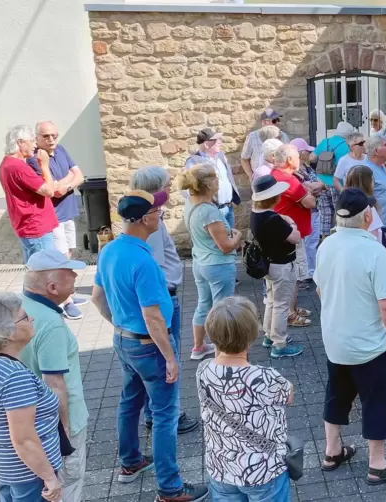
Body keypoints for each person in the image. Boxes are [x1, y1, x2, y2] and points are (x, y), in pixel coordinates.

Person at [92, 190, 208, 502]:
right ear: (145, 218)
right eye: (158, 211)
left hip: (124, 341)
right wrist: (169, 356)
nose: (162, 214)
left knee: (129, 402)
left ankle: (130, 462)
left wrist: (120, 326)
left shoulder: (110, 250)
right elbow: (153, 316)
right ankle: (170, 488)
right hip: (149, 345)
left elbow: (97, 298)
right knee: (165, 415)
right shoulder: (143, 260)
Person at [314, 188, 386, 485]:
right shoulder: (373, 251)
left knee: (337, 394)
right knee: (378, 400)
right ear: (367, 215)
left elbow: (320, 289)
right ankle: (377, 464)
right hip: (369, 344)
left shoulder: (326, 246)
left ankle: (332, 451)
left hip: (335, 339)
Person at [197, 297, 295, 501]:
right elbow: (289, 396)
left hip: (221, 467)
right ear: (251, 337)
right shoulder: (265, 377)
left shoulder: (203, 370)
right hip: (263, 470)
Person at [130, 166, 200, 435]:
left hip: (162, 296)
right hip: (163, 298)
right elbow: (154, 265)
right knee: (166, 359)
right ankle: (167, 415)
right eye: (168, 185)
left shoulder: (146, 219)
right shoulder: (152, 225)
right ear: (155, 190)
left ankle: (153, 412)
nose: (172, 190)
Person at [0, 292, 63, 502]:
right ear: (10, 333)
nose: (31, 318)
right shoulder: (13, 377)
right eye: (25, 317)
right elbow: (24, 438)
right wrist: (49, 477)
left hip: (1, 463)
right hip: (28, 472)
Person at [18, 250, 88, 502]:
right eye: (69, 272)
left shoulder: (17, 308)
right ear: (52, 286)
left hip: (25, 423)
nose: (75, 275)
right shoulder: (50, 324)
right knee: (67, 487)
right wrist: (65, 433)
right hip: (56, 426)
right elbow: (55, 384)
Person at [180, 165, 244, 361]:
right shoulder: (209, 212)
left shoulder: (191, 204)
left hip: (200, 262)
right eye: (215, 178)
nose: (219, 181)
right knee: (221, 311)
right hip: (218, 265)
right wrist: (238, 236)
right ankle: (221, 355)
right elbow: (225, 246)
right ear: (207, 184)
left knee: (203, 305)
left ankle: (198, 347)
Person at [26, 121, 88, 321]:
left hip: (69, 211)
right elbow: (52, 190)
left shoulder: (61, 149)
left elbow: (79, 175)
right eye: (46, 136)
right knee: (59, 259)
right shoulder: (35, 160)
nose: (51, 139)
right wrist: (66, 181)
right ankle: (64, 303)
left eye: (54, 135)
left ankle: (68, 293)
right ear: (37, 138)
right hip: (53, 216)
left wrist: (66, 184)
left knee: (68, 253)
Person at [249, 175, 305, 359]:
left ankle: (268, 335)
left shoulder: (257, 215)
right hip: (282, 265)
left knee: (272, 301)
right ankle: (279, 343)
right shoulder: (273, 219)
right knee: (282, 304)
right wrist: (291, 224)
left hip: (269, 264)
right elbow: (295, 238)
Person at [0, 125, 58, 264]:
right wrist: (44, 165)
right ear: (20, 142)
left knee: (34, 276)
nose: (35, 144)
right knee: (43, 276)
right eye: (31, 140)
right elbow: (49, 191)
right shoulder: (19, 167)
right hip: (36, 228)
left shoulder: (6, 164)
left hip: (28, 226)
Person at [272, 144, 315, 327]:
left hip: (287, 232)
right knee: (295, 276)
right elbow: (310, 202)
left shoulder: (277, 175)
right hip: (291, 235)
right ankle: (289, 313)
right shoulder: (288, 180)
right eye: (297, 156)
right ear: (290, 160)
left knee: (293, 275)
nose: (300, 159)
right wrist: (310, 191)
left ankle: (292, 308)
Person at [184, 128, 240, 229]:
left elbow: (229, 178)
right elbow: (187, 190)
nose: (220, 142)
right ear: (206, 144)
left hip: (228, 207)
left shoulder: (221, 156)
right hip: (212, 211)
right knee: (216, 243)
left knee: (230, 239)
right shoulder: (193, 162)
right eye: (216, 140)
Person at [291, 138, 329, 275]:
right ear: (300, 153)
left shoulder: (307, 168)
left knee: (312, 242)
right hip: (306, 210)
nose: (310, 154)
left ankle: (311, 270)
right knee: (306, 243)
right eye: (307, 151)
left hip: (315, 209)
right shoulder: (295, 172)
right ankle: (306, 271)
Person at [240, 108, 290, 179]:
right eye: (274, 121)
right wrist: (251, 177)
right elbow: (244, 159)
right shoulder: (252, 136)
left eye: (277, 120)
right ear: (264, 122)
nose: (277, 123)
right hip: (261, 179)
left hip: (280, 178)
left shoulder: (283, 136)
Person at [361, 135, 386, 237]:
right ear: (376, 151)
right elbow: (363, 201)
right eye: (385, 145)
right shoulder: (366, 171)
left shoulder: (382, 165)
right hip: (375, 228)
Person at [344, 166, 384, 243]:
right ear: (367, 183)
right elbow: (373, 236)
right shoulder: (369, 208)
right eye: (372, 180)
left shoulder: (344, 204)